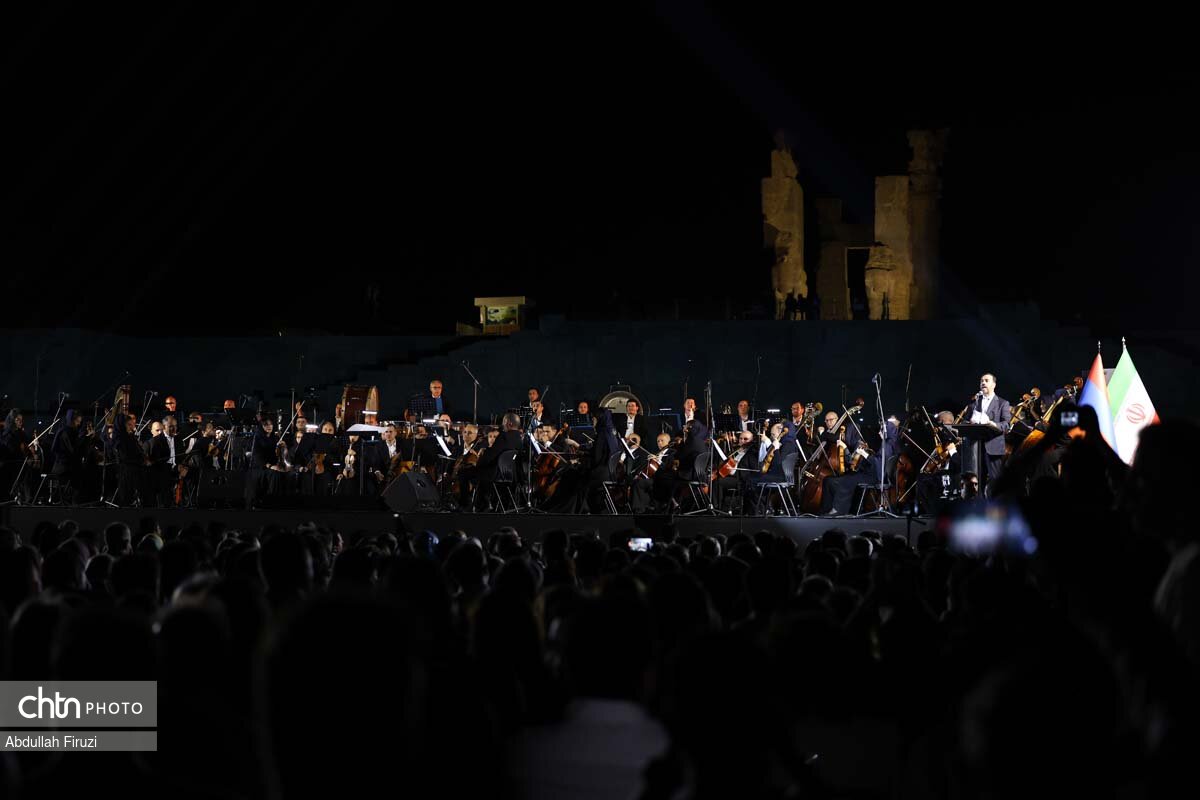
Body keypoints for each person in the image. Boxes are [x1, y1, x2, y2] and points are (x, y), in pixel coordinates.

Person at [968, 373, 1012, 489]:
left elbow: (1006, 425)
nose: (983, 383)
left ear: (994, 385)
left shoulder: (1002, 403)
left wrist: (993, 424)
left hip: (993, 447)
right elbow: (966, 421)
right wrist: (969, 423)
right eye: (981, 381)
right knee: (977, 482)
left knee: (996, 482)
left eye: (986, 380)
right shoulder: (974, 404)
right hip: (976, 447)